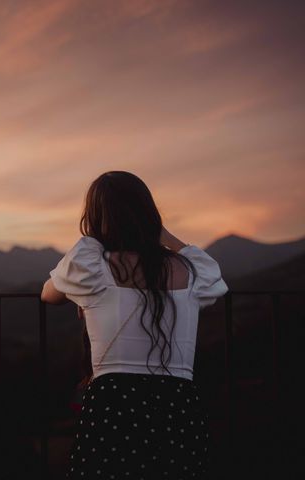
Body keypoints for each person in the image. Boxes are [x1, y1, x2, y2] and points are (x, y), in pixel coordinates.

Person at [41, 171, 228, 480]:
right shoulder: (191, 272)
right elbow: (212, 272)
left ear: (97, 215)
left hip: (114, 403)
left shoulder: (94, 268)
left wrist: (96, 237)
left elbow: (48, 293)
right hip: (177, 404)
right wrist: (162, 234)